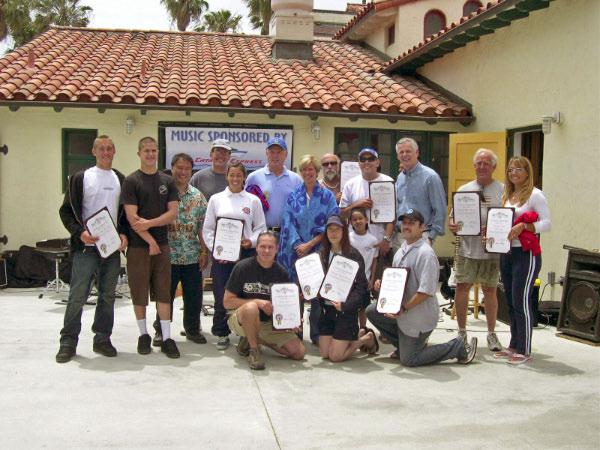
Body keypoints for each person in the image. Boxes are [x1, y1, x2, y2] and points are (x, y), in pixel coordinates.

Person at [366, 209, 477, 367]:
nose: (406, 226)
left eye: (411, 223)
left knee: (409, 360)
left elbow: (425, 292)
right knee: (372, 311)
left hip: (419, 316)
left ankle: (456, 347)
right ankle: (407, 346)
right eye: (404, 223)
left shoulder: (426, 254)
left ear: (422, 227)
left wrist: (403, 309)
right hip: (403, 311)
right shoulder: (402, 250)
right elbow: (398, 282)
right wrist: (382, 285)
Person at [55, 135, 128, 363]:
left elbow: (125, 213)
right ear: (93, 151)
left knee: (107, 296)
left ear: (114, 151)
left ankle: (102, 339)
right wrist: (79, 233)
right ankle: (68, 342)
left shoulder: (120, 179)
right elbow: (65, 211)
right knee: (77, 296)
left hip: (111, 250)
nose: (106, 152)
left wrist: (124, 233)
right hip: (86, 249)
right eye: (101, 149)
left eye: (109, 148)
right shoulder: (81, 178)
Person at [121, 137, 180, 358]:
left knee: (164, 292)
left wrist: (152, 226)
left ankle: (166, 338)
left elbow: (172, 213)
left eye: (154, 150)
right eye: (146, 151)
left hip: (162, 246)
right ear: (139, 154)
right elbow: (132, 218)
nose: (150, 154)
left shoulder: (167, 181)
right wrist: (150, 241)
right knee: (139, 292)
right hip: (138, 247)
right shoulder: (131, 181)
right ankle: (144, 335)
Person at [490, 156, 551, 364]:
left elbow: (547, 224)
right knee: (510, 300)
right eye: (510, 170)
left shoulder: (535, 195)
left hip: (526, 254)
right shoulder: (508, 195)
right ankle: (514, 344)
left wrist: (524, 226)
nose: (513, 173)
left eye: (518, 169)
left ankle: (524, 349)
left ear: (527, 172)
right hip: (507, 253)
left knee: (521, 300)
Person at [203, 162, 267, 351]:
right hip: (222, 256)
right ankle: (221, 332)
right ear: (227, 176)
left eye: (239, 175)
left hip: (245, 253)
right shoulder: (216, 199)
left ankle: (244, 333)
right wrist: (216, 250)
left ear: (244, 177)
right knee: (221, 292)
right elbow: (208, 229)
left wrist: (252, 241)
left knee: (245, 293)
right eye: (232, 175)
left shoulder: (253, 200)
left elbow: (260, 228)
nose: (235, 178)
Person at [278, 155, 339, 344]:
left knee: (316, 294)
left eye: (311, 169)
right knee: (295, 291)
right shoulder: (294, 195)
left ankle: (316, 334)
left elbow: (332, 223)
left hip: (318, 250)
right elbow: (286, 220)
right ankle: (294, 331)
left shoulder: (327, 196)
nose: (307, 172)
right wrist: (298, 245)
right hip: (293, 252)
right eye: (304, 169)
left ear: (317, 171)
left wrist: (310, 245)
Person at [224, 231, 306, 370]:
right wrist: (256, 302)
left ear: (277, 249)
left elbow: (284, 305)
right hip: (240, 319)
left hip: (268, 323)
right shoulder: (242, 267)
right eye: (262, 246)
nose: (266, 251)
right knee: (251, 307)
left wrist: (291, 321)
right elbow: (227, 302)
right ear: (256, 248)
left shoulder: (281, 272)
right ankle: (254, 351)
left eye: (270, 247)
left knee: (299, 353)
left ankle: (253, 340)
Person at [151, 153, 209, 347]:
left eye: (187, 169)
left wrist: (203, 252)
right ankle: (161, 331)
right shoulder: (161, 194)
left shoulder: (198, 196)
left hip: (192, 255)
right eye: (180, 168)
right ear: (172, 168)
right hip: (167, 255)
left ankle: (192, 329)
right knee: (164, 295)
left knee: (193, 296)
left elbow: (202, 227)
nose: (183, 172)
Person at [449, 148, 504, 352]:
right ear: (474, 166)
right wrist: (453, 225)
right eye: (478, 163)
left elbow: (506, 218)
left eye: (486, 163)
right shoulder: (464, 190)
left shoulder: (503, 190)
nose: (482, 167)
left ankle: (491, 334)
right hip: (467, 250)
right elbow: (453, 217)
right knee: (462, 287)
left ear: (494, 167)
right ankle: (462, 332)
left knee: (490, 290)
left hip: (491, 252)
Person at [318, 214, 377, 362]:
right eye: (330, 230)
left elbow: (361, 286)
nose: (333, 233)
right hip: (328, 310)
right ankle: (358, 335)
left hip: (346, 312)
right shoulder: (322, 254)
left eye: (337, 229)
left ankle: (365, 338)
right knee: (325, 354)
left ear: (344, 232)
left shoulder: (353, 255)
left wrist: (345, 305)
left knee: (335, 356)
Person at [340, 148, 395, 258]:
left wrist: (386, 240)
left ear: (377, 162)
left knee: (378, 275)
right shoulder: (350, 184)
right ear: (359, 163)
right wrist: (357, 205)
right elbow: (342, 213)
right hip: (355, 245)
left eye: (371, 159)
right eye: (363, 159)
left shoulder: (388, 182)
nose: (367, 162)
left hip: (380, 244)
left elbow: (393, 215)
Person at [394, 137, 447, 251]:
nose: (404, 155)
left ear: (417, 153)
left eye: (408, 151)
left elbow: (440, 210)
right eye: (401, 152)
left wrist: (431, 238)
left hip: (421, 237)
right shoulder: (400, 177)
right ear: (398, 156)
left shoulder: (430, 177)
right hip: (400, 237)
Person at [245, 137, 302, 232]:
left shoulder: (296, 179)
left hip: (287, 234)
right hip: (262, 233)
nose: (275, 156)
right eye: (272, 152)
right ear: (266, 154)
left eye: (279, 152)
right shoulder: (253, 177)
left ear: (286, 155)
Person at [349, 207, 379, 328]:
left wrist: (372, 280)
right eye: (354, 219)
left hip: (365, 281)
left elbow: (374, 260)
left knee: (364, 307)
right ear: (350, 222)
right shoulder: (348, 238)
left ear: (366, 220)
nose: (358, 221)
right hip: (350, 281)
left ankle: (363, 328)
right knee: (351, 307)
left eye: (360, 218)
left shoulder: (373, 240)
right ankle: (352, 329)